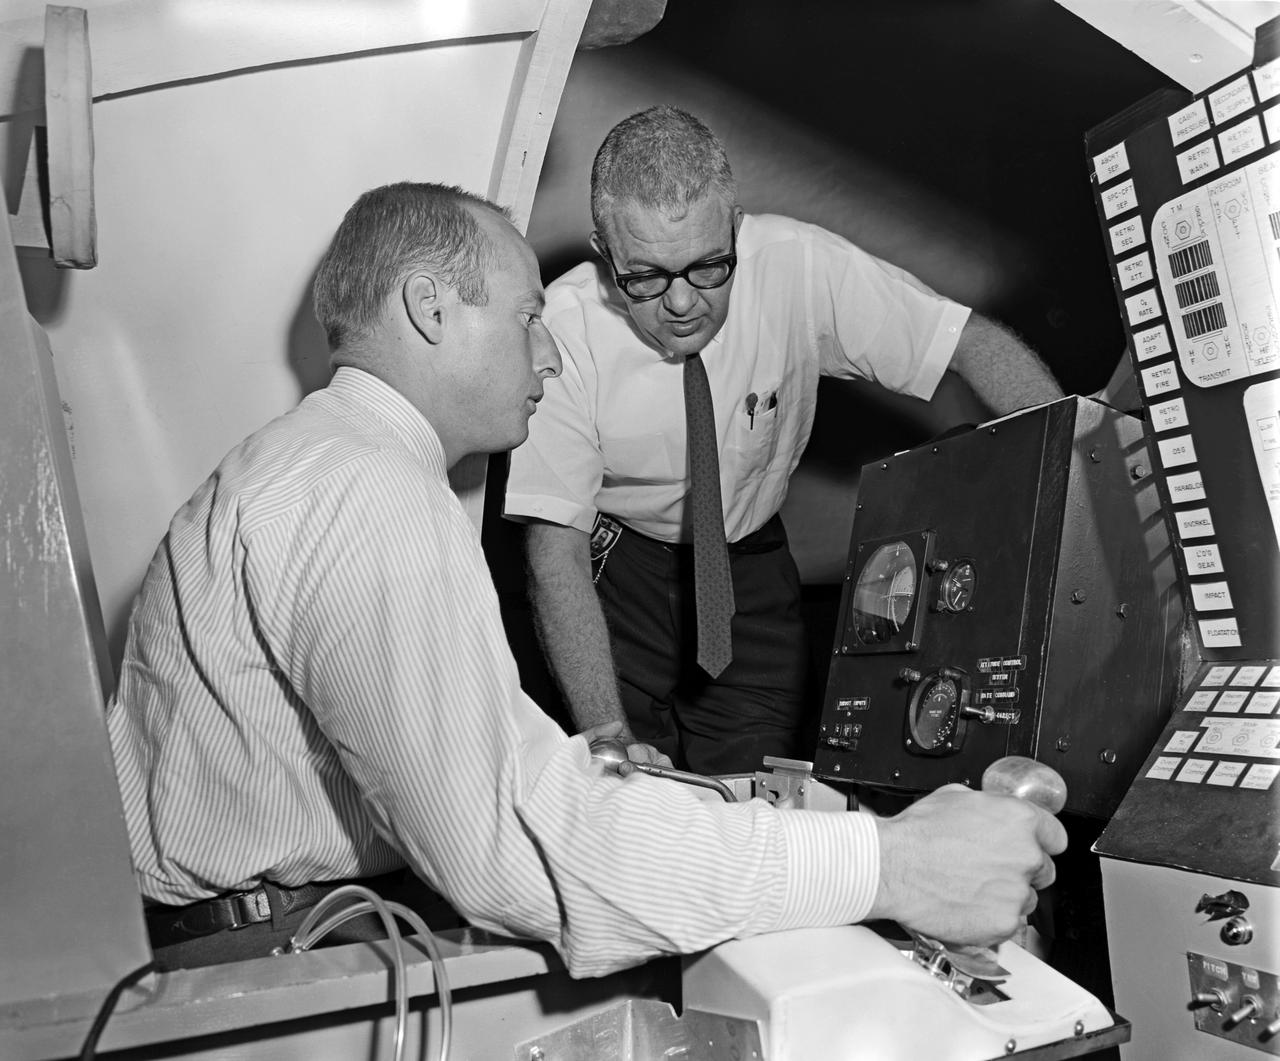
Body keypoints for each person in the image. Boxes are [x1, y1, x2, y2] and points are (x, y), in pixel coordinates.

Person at [106, 181, 1066, 977]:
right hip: (272, 949)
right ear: (431, 308)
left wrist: (681, 795)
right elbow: (512, 845)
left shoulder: (323, 464)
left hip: (257, 928)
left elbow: (517, 769)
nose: (553, 348)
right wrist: (888, 863)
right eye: (527, 315)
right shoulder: (368, 492)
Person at [503, 105, 1064, 775]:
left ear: (737, 229)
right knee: (638, 790)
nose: (681, 303)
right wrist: (605, 733)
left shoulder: (797, 263)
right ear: (604, 251)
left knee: (756, 795)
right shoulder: (562, 329)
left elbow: (969, 345)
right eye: (645, 278)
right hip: (617, 572)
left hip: (751, 564)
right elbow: (553, 551)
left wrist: (1077, 469)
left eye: (709, 267)